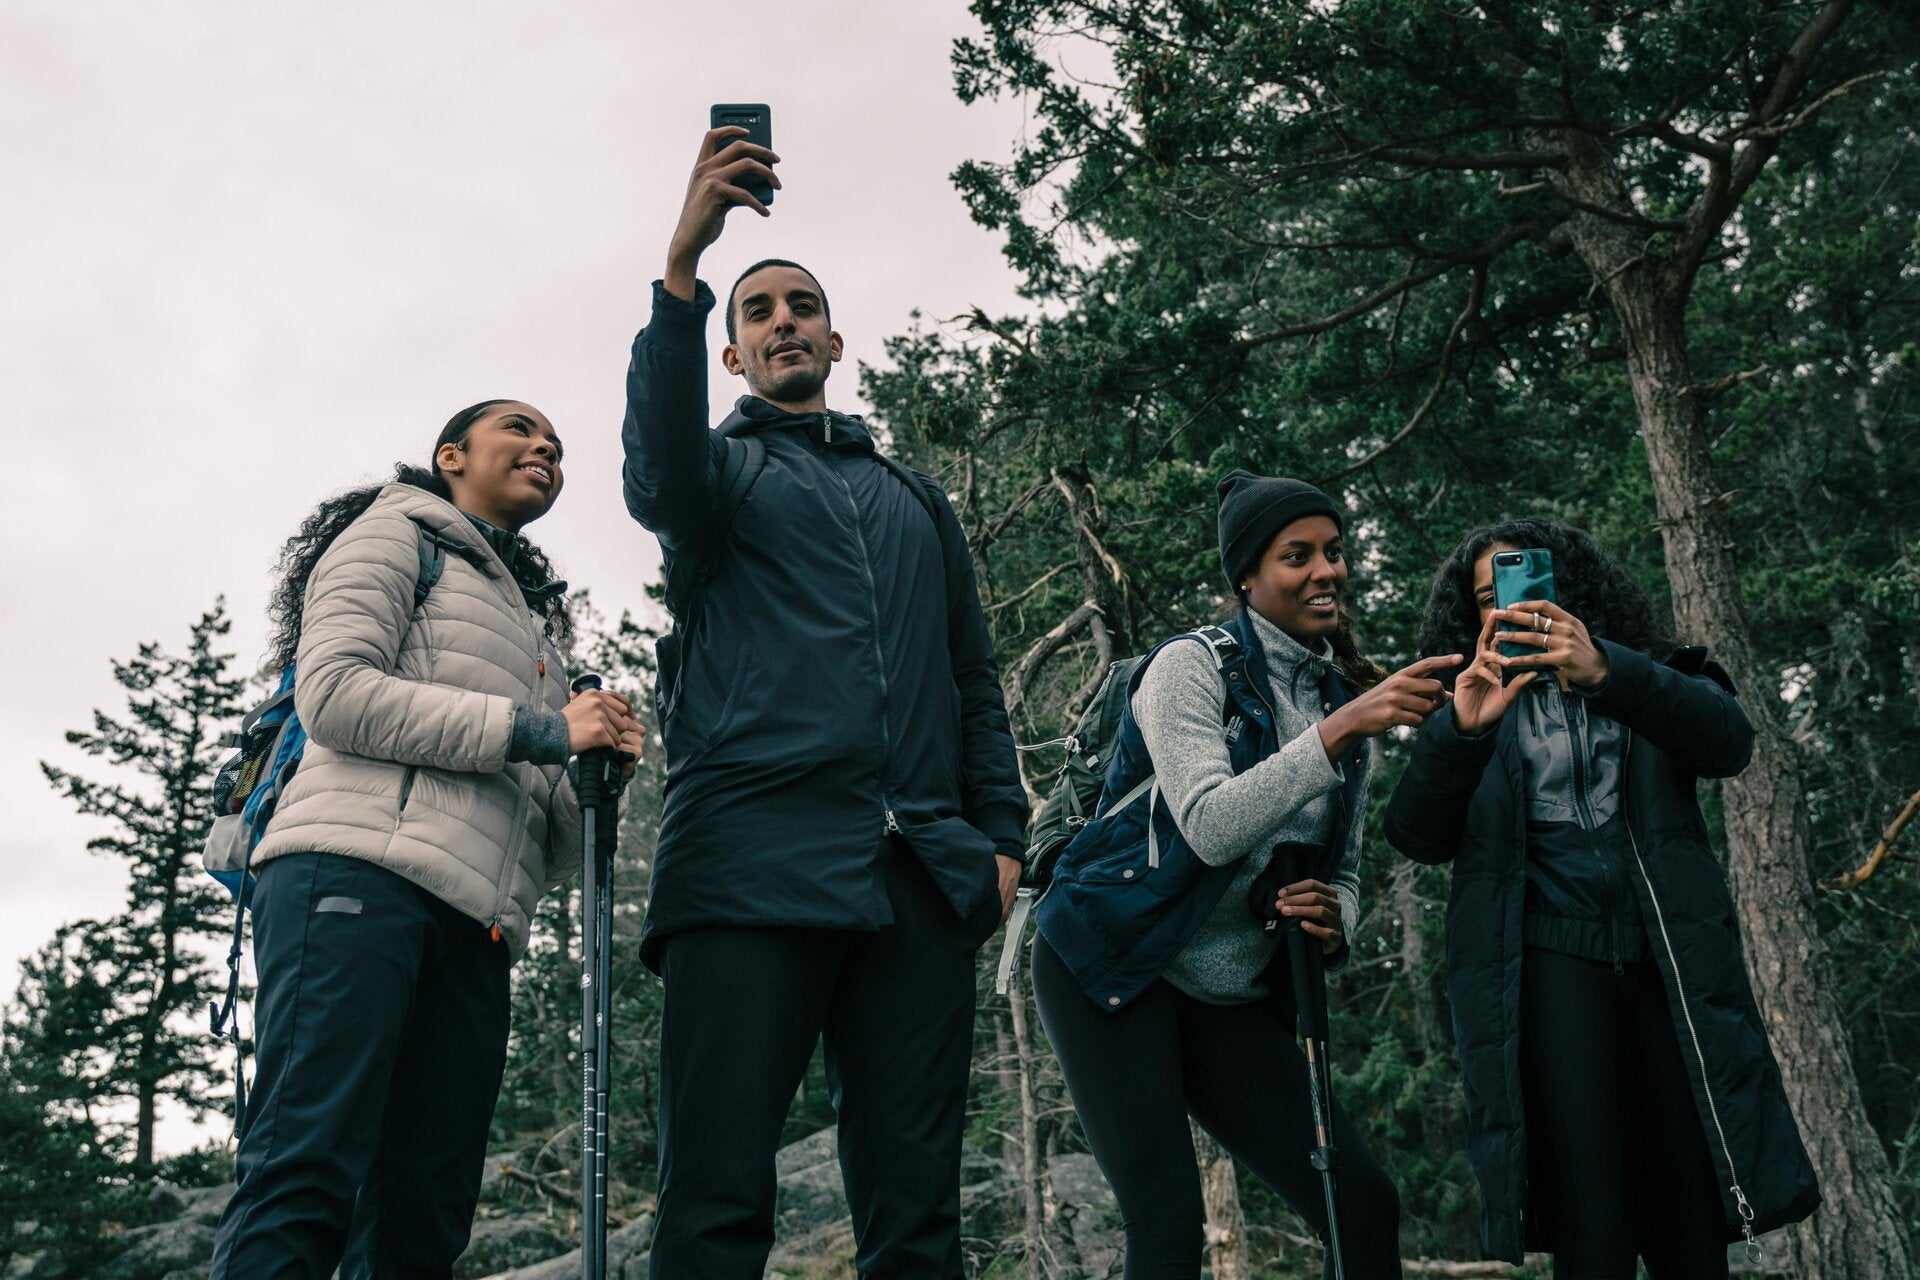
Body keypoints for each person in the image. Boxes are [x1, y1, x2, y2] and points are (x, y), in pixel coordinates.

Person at [621, 128, 1029, 1278]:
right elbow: (655, 472)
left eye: (802, 305)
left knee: (918, 1212)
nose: (783, 320)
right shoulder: (720, 476)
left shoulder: (914, 498)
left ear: (836, 341)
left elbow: (972, 675)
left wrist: (1001, 841)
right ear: (734, 351)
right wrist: (684, 268)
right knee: (715, 1198)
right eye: (758, 312)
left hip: (919, 875)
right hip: (746, 863)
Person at [209, 400, 645, 1279]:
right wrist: (545, 730)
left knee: (425, 1217)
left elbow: (545, 846)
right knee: (306, 1165)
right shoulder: (395, 533)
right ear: (451, 456)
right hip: (352, 875)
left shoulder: (537, 634)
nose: (545, 447)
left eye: (557, 445)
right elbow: (335, 695)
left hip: (476, 928)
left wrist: (601, 776)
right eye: (519, 429)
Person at [1032, 472, 1453, 1280]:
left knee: (1362, 1205)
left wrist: (1335, 915)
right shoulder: (1191, 668)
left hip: (1225, 992)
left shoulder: (1339, 704)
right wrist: (1337, 731)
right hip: (1111, 964)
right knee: (1167, 1223)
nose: (1326, 571)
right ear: (1246, 578)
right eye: (1298, 556)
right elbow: (1210, 824)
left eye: (1334, 551)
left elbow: (1346, 871)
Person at [1382, 518, 1819, 1278]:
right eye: (1487, 596)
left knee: (1690, 1216)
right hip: (1552, 966)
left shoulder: (1652, 672)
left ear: (1573, 590)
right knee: (1594, 1219)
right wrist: (1461, 730)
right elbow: (1416, 834)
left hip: (1667, 963)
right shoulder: (1465, 701)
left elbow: (1731, 744)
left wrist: (1608, 672)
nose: (1509, 606)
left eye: (1529, 582)